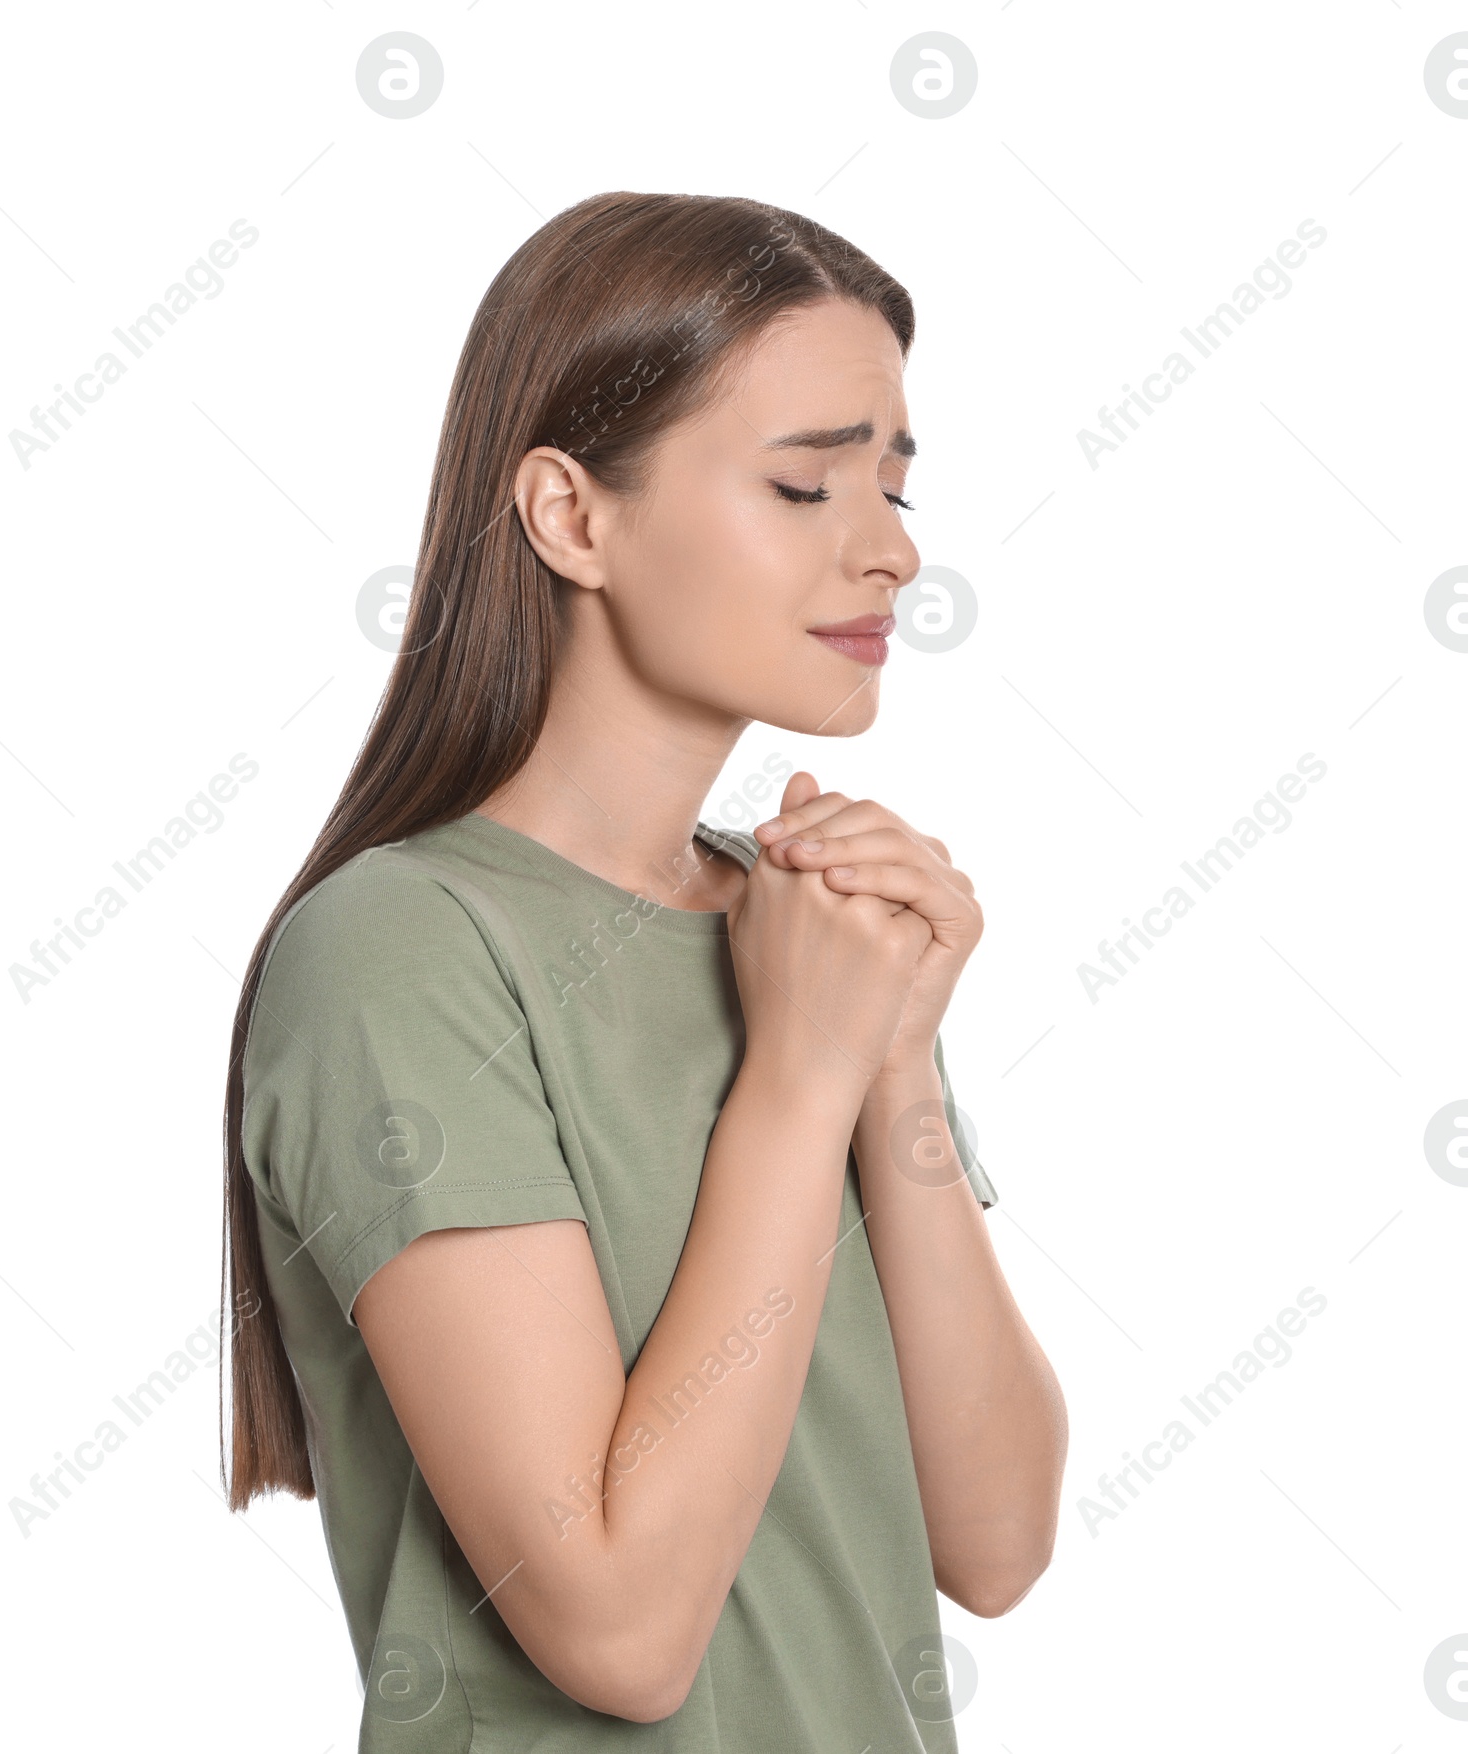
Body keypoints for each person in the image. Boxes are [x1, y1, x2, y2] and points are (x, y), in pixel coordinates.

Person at [218, 190, 1067, 1752]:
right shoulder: (398, 950)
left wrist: (889, 1063)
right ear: (572, 515)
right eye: (807, 481)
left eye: (893, 480)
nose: (891, 549)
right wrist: (802, 1083)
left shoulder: (800, 926)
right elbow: (617, 1628)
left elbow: (997, 1539)